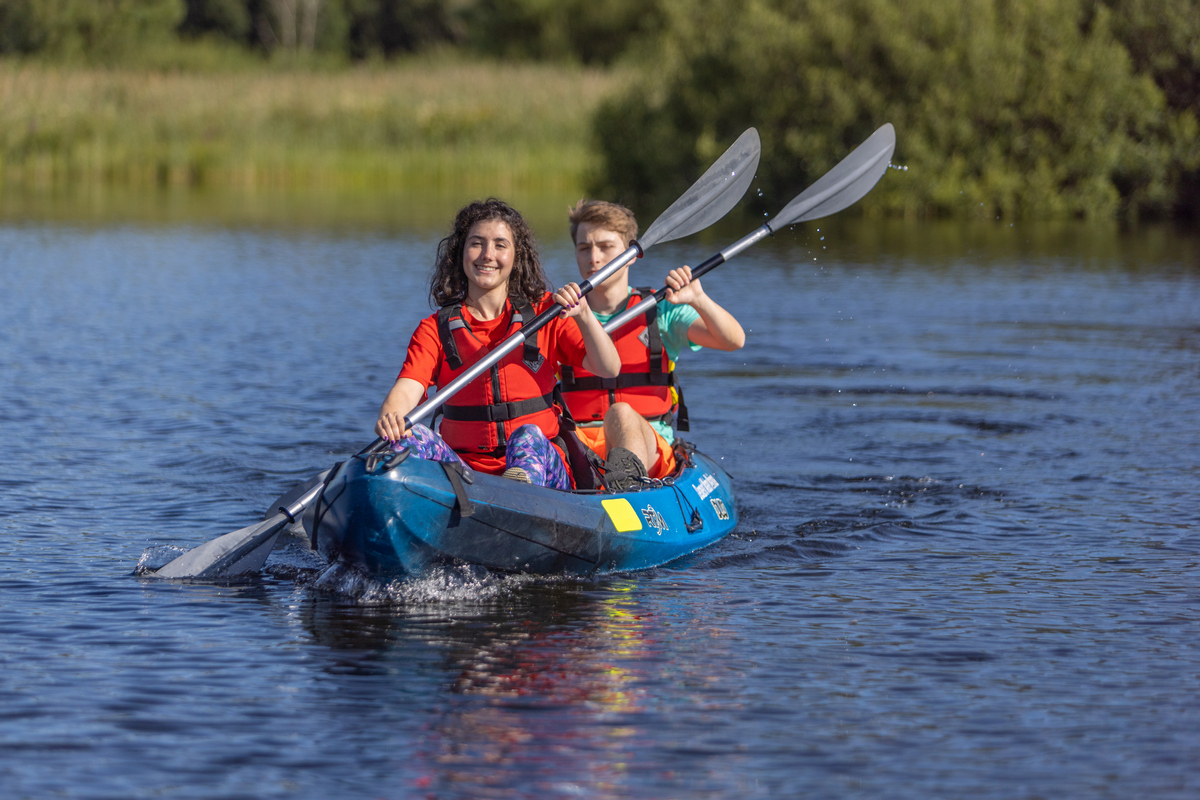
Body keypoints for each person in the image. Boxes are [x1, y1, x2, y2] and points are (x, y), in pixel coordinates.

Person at [375, 199, 620, 490]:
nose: (488, 255)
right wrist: (392, 418)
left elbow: (609, 367)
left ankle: (517, 492)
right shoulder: (435, 329)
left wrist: (584, 315)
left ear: (516, 256)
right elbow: (406, 391)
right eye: (477, 243)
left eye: (500, 245)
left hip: (541, 471)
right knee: (407, 437)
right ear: (461, 252)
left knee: (528, 435)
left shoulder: (545, 314)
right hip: (465, 474)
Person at [561, 199, 746, 491]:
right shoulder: (562, 316)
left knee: (621, 413)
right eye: (584, 247)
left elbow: (733, 340)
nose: (593, 258)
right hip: (579, 447)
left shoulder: (661, 312)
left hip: (649, 446)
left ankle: (625, 490)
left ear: (631, 255)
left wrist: (698, 298)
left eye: (606, 246)